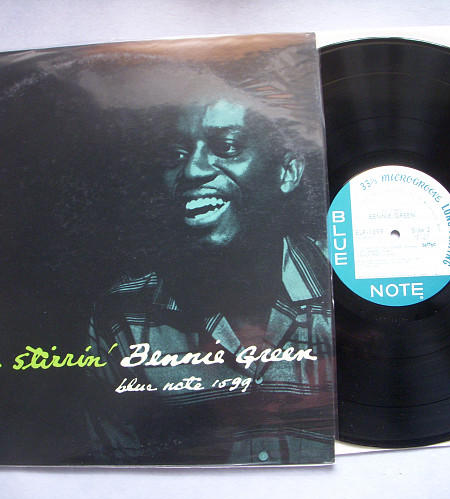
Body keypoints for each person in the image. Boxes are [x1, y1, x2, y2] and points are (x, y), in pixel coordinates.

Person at [84, 81, 334, 466]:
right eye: (177, 154)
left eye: (227, 147)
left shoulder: (339, 281)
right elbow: (118, 474)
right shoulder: (122, 316)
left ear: (288, 171)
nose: (192, 169)